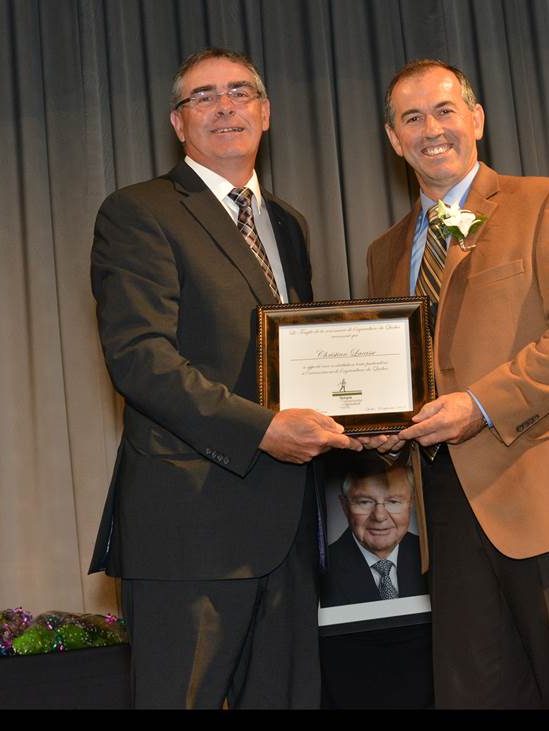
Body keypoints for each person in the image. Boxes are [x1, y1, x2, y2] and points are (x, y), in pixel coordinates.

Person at [361, 59, 549, 708]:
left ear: (476, 119)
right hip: (447, 516)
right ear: (392, 138)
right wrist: (372, 427)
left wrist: (481, 404)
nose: (431, 129)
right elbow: (397, 377)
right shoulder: (384, 252)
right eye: (412, 118)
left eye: (444, 110)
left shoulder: (545, 201)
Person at [88, 48, 360, 708]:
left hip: (287, 528)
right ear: (178, 124)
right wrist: (263, 428)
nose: (225, 106)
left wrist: (359, 420)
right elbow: (140, 358)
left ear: (265, 113)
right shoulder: (138, 211)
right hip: (189, 527)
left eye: (240, 92)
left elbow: (299, 359)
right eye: (203, 97)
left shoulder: (286, 224)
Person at [321, 458, 426, 606]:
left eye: (393, 501)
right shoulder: (320, 571)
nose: (379, 516)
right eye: (365, 502)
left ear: (412, 503)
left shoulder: (436, 556)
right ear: (344, 506)